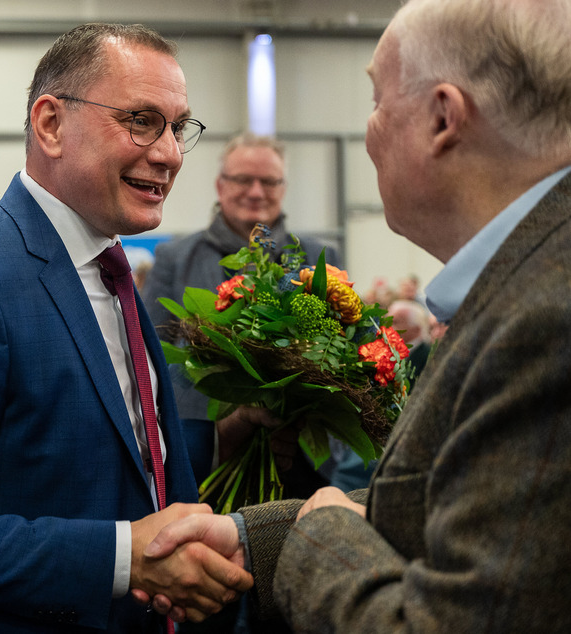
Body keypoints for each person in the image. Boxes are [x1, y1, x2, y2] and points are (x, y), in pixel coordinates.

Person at [138, 0, 571, 630]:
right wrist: (250, 531)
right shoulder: (527, 283)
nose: (368, 131)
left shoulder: (544, 321)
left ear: (443, 118)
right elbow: (442, 506)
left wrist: (322, 532)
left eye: (376, 101)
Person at [0, 22, 253, 633]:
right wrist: (127, 560)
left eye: (178, 128)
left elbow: (120, 456)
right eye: (142, 120)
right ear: (50, 125)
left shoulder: (111, 270)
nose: (171, 153)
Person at [142, 133, 341, 493]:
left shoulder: (319, 258)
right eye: (242, 179)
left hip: (300, 460)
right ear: (220, 186)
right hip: (204, 458)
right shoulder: (176, 258)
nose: (255, 191)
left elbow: (338, 353)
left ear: (283, 187)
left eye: (268, 181)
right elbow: (150, 357)